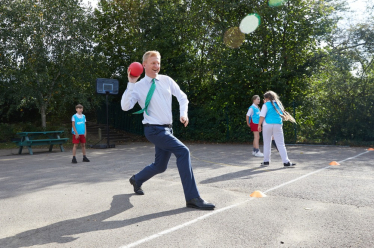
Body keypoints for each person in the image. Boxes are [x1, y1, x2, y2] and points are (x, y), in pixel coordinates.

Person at [121, 51, 215, 210]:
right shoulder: (138, 87)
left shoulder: (166, 80)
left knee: (160, 166)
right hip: (153, 130)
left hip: (167, 130)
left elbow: (182, 97)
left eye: (158, 62)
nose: (156, 66)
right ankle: (193, 197)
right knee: (183, 152)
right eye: (153, 63)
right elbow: (125, 106)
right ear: (144, 65)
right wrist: (131, 83)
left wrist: (183, 114)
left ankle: (137, 179)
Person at [258, 91, 296, 167]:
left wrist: (259, 125)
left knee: (267, 143)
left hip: (267, 125)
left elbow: (262, 116)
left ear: (267, 98)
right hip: (278, 125)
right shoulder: (279, 104)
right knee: (281, 144)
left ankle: (266, 161)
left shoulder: (265, 105)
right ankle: (286, 162)